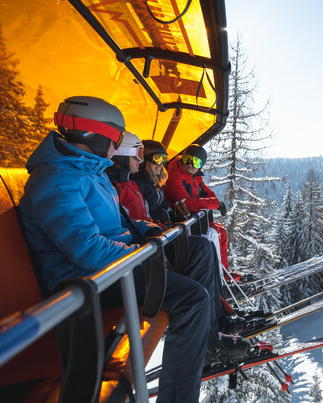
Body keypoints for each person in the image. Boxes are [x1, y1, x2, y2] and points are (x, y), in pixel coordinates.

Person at [17, 96, 247, 403]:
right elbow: (88, 251)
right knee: (192, 299)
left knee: (199, 249)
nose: (116, 149)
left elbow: (117, 222)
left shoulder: (89, 172)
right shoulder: (57, 180)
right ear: (96, 135)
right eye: (115, 139)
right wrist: (143, 255)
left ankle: (208, 335)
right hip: (89, 281)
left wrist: (145, 230)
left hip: (117, 265)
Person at [164, 144, 233, 280]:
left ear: (201, 165)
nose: (190, 164)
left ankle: (225, 275)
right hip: (179, 221)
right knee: (214, 233)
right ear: (182, 158)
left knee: (221, 231)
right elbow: (187, 203)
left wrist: (213, 203)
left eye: (195, 162)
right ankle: (219, 279)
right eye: (187, 159)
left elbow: (212, 196)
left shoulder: (196, 176)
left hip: (192, 220)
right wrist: (214, 204)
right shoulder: (174, 175)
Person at [106, 131, 147, 219]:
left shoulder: (129, 182)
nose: (140, 161)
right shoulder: (113, 186)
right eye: (138, 154)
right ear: (124, 155)